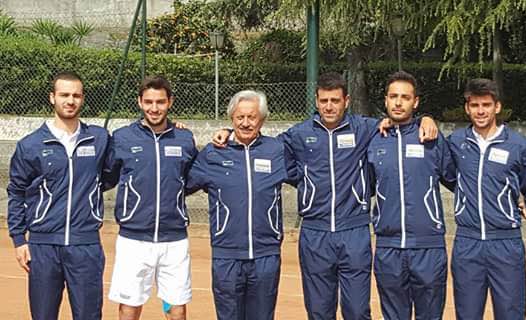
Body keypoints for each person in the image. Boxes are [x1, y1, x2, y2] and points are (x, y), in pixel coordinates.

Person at [213, 72, 438, 319]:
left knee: (357, 311)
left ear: (347, 101)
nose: (329, 106)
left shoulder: (366, 129)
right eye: (323, 101)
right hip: (314, 234)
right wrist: (229, 131)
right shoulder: (299, 134)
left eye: (335, 100)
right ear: (317, 102)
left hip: (354, 233)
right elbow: (257, 141)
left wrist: (425, 119)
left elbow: (400, 123)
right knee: (319, 312)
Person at [7, 71, 109, 320]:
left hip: (85, 245)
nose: (70, 100)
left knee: (89, 316)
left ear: (83, 99)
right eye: (64, 95)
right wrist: (20, 239)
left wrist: (174, 127)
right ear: (52, 97)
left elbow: (116, 169)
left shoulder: (99, 139)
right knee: (43, 316)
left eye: (76, 95)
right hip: (43, 246)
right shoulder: (30, 145)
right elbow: (16, 192)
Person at [186, 90, 295, 320]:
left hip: (266, 255)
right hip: (226, 256)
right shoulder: (212, 153)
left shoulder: (277, 151)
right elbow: (180, 183)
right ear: (231, 119)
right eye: (239, 118)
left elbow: (312, 172)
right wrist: (174, 130)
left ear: (262, 119)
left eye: (252, 117)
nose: (245, 123)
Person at [447, 78, 526, 320]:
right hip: (467, 245)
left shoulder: (518, 145)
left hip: (506, 245)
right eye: (475, 105)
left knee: (511, 315)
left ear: (497, 107)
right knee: (467, 315)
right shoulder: (456, 142)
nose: (480, 111)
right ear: (467, 108)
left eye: (486, 105)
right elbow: (447, 176)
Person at [104, 76, 198, 320]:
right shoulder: (122, 137)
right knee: (129, 307)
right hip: (133, 239)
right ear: (139, 102)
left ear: (170, 102)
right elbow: (108, 177)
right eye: (148, 102)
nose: (154, 108)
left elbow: (190, 179)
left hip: (174, 239)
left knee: (176, 307)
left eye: (160, 102)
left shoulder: (184, 139)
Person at [367, 71, 455, 319]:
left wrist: (515, 198)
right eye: (393, 96)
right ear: (385, 100)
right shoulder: (374, 140)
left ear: (415, 102)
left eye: (405, 97)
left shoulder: (432, 139)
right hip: (388, 248)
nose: (398, 102)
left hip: (428, 247)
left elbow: (462, 181)